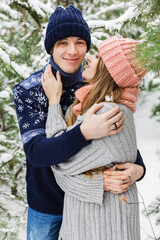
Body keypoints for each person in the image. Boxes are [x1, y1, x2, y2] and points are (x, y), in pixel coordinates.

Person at [13, 5, 145, 240]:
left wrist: (138, 168)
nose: (72, 51)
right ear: (51, 48)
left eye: (80, 43)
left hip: (96, 208)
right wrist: (84, 132)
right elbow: (37, 153)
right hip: (49, 206)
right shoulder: (30, 90)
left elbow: (117, 141)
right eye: (63, 43)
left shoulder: (96, 83)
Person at [42, 36, 147, 240]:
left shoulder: (107, 112)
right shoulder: (90, 106)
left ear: (109, 70)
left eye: (98, 56)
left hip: (103, 228)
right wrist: (98, 183)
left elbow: (57, 161)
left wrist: (54, 102)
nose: (89, 57)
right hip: (89, 223)